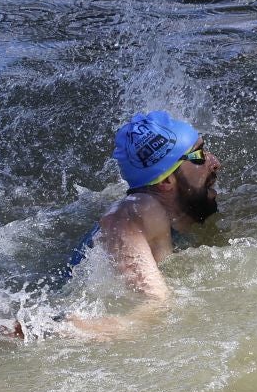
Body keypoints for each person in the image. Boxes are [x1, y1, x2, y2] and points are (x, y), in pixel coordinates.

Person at [94, 110, 222, 307]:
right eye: (199, 155)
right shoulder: (141, 208)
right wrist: (156, 303)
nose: (215, 163)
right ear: (166, 181)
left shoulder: (164, 221)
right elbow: (152, 309)